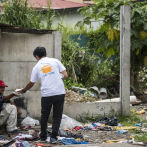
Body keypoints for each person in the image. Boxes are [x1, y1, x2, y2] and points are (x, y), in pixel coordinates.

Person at [19, 47, 68, 143]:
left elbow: (31, 82)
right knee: (57, 115)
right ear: (45, 53)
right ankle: (54, 137)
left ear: (36, 56)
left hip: (47, 94)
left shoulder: (37, 66)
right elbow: (65, 75)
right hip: (59, 92)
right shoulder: (55, 61)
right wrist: (56, 78)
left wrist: (24, 90)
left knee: (44, 115)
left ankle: (43, 137)